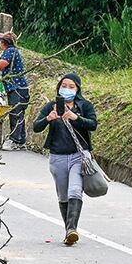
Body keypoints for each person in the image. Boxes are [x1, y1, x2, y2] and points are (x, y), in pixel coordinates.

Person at [32, 73, 97, 246]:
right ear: (59, 87)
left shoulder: (84, 106)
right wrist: (48, 118)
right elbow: (36, 127)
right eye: (64, 86)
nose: (67, 89)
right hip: (57, 157)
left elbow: (93, 124)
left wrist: (76, 118)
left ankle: (72, 229)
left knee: (75, 190)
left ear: (77, 89)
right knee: (63, 196)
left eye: (71, 87)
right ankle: (69, 230)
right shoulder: (51, 106)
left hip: (79, 156)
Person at [0, 32, 29, 149]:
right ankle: (21, 141)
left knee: (16, 114)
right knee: (19, 114)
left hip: (17, 88)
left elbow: (0, 65)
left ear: (3, 43)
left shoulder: (10, 51)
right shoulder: (11, 51)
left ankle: (15, 141)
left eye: (0, 42)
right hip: (18, 88)